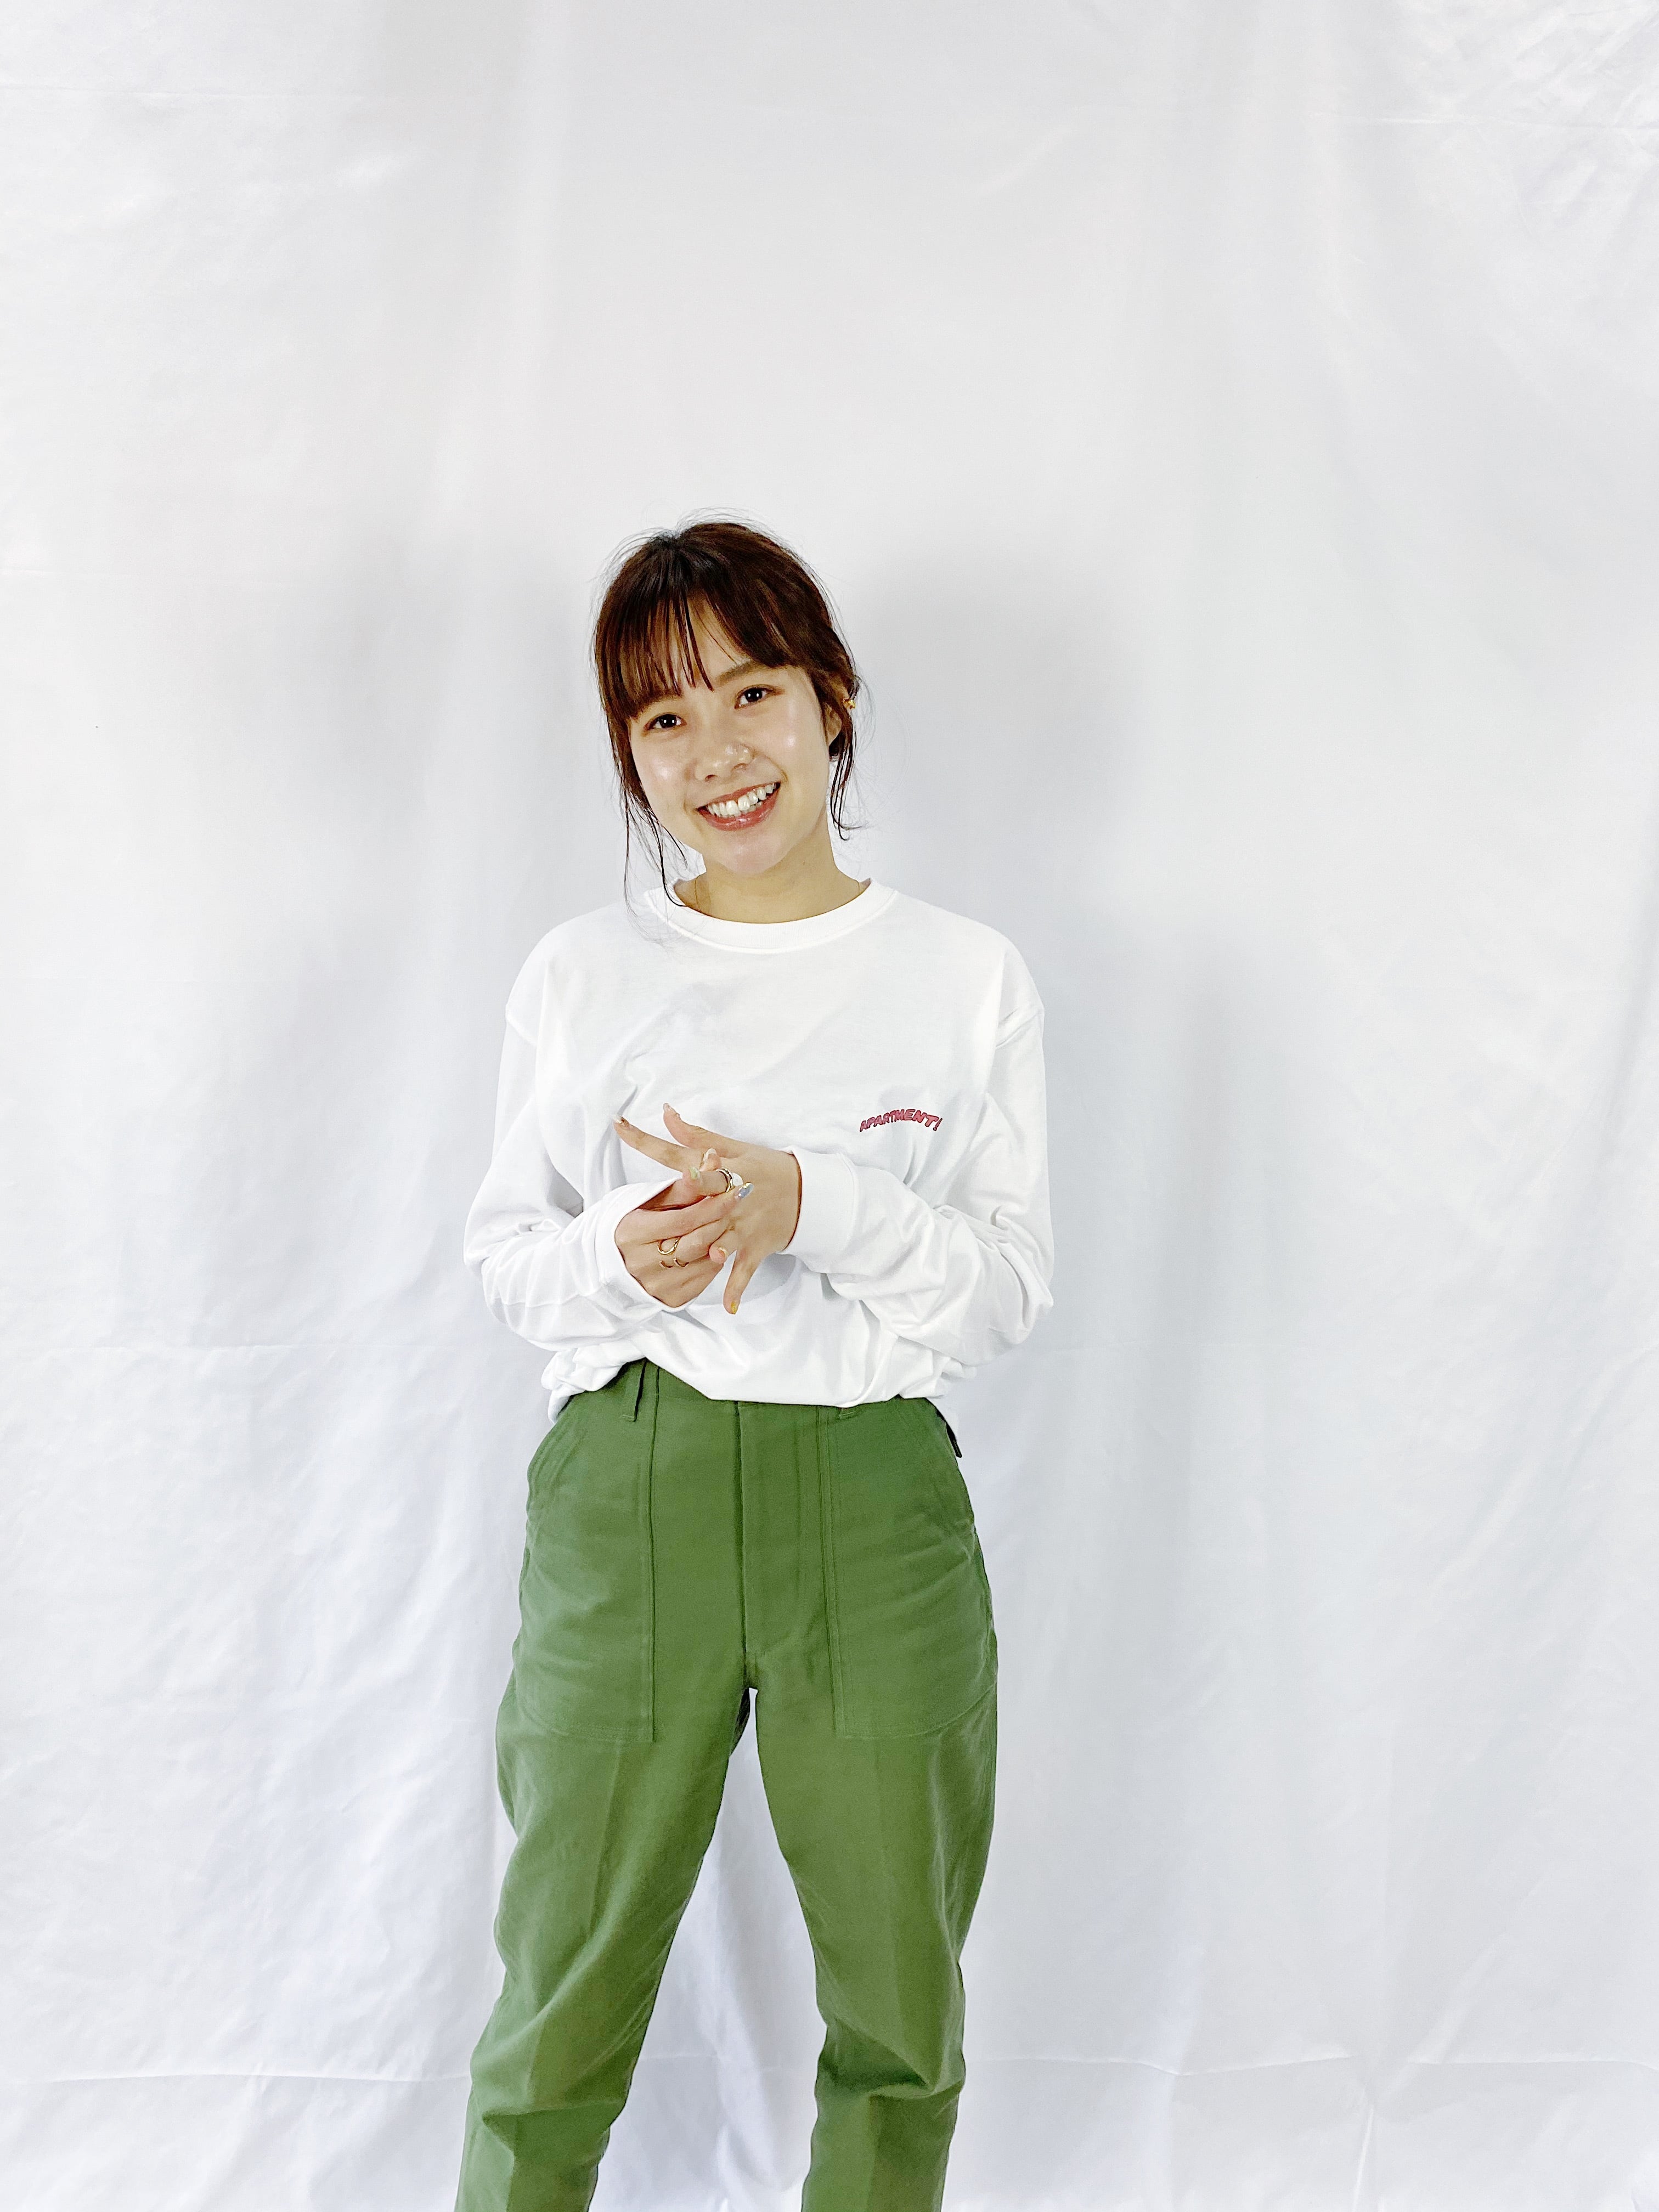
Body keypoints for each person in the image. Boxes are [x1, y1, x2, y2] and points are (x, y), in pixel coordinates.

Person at [453, 518, 1054, 2212]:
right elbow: (508, 1264)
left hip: (874, 1500)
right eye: (663, 716)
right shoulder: (582, 977)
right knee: (561, 1995)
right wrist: (613, 1257)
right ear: (629, 756)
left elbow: (1004, 1295)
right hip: (631, 1489)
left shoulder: (964, 979)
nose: (715, 750)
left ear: (830, 701)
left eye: (752, 692)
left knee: (899, 2003)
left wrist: (812, 1206)